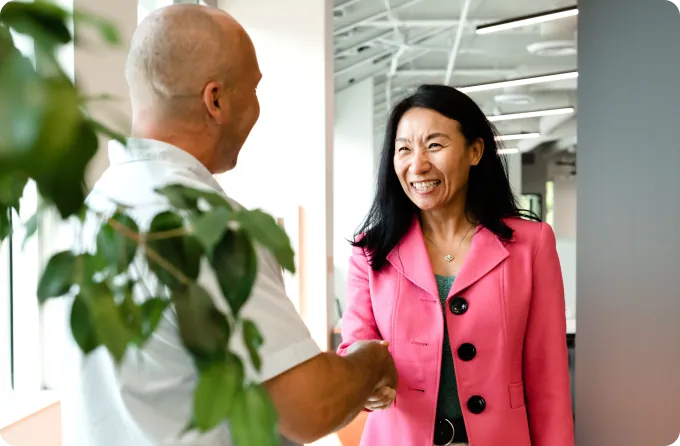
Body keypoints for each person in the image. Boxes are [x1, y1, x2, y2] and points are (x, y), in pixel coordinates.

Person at [59, 4, 397, 446]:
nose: (257, 107)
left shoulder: (97, 209)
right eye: (254, 89)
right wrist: (371, 360)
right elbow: (310, 408)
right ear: (215, 100)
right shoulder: (208, 226)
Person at [337, 84, 574, 446]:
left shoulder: (532, 245)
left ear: (475, 151)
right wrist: (364, 386)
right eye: (404, 149)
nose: (417, 164)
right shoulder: (371, 252)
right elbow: (356, 351)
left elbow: (549, 380)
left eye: (435, 145)